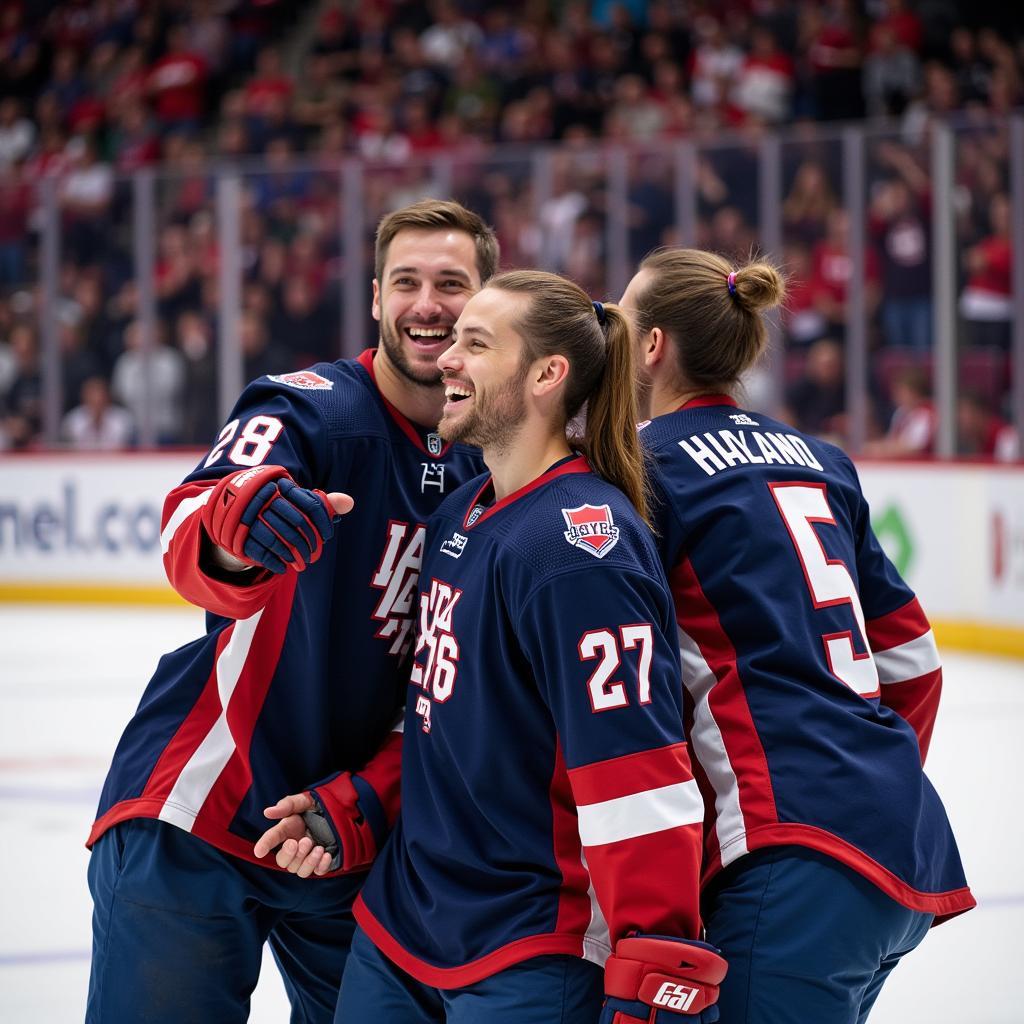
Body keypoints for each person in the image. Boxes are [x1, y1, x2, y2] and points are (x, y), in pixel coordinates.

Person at [262, 271, 726, 1023]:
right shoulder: (461, 514)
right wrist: (360, 804)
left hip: (529, 950)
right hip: (402, 929)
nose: (447, 357)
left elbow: (635, 777)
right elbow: (444, 722)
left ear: (547, 375)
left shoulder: (581, 546)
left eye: (476, 344)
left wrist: (653, 967)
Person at [85, 199, 497, 1024]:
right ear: (376, 299)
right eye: (406, 282)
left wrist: (366, 802)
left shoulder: (491, 469)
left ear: (485, 304)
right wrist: (239, 524)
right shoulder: (310, 411)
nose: (427, 304)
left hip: (349, 841)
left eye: (451, 284)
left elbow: (458, 700)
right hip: (199, 819)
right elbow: (190, 526)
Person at [619, 248, 975, 1024]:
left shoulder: (641, 467)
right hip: (893, 835)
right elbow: (913, 661)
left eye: (620, 320)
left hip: (790, 858)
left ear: (652, 348)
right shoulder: (821, 459)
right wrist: (863, 779)